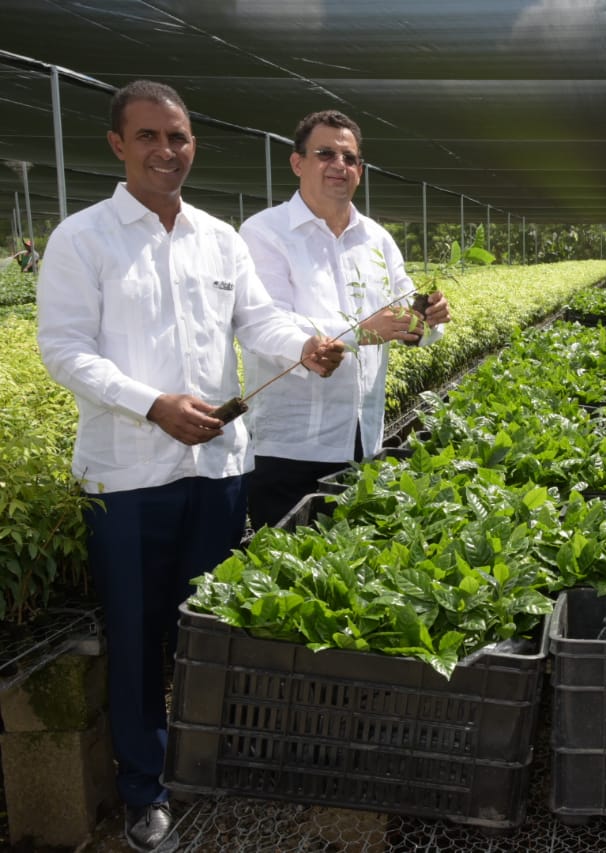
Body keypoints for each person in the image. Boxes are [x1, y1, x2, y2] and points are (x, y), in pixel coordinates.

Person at [36, 80, 345, 852]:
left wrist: (303, 343)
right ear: (117, 144)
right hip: (129, 477)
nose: (165, 152)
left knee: (210, 631)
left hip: (217, 469)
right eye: (147, 137)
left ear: (191, 144)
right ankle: (145, 791)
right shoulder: (85, 237)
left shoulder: (218, 237)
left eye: (176, 137)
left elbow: (257, 318)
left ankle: (214, 761)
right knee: (138, 639)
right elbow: (64, 349)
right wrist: (151, 403)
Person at [239, 109, 451, 529]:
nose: (340, 165)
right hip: (290, 445)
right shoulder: (264, 233)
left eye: (350, 158)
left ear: (361, 170)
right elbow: (266, 323)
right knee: (285, 572)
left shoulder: (376, 238)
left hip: (362, 437)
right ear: (298, 163)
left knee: (349, 571)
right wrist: (357, 333)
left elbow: (406, 311)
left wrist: (427, 321)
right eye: (325, 154)